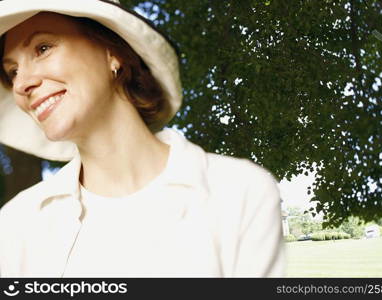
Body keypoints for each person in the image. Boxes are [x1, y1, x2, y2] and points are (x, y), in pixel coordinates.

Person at [0, 0, 285, 277]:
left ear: (112, 52)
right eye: (12, 72)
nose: (23, 84)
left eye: (43, 48)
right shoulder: (15, 225)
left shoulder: (239, 192)